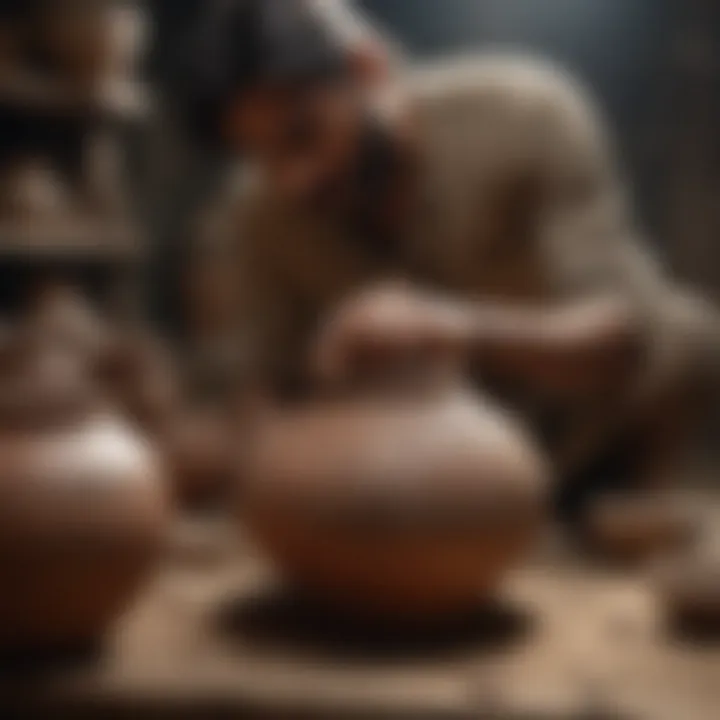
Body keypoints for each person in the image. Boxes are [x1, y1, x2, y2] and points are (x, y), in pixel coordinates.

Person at [181, 0, 719, 524]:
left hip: (581, 412)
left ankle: (609, 509)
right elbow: (262, 391)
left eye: (303, 134)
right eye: (260, 156)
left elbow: (622, 335)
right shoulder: (259, 212)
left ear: (368, 69)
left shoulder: (522, 115)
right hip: (411, 457)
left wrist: (449, 325)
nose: (293, 180)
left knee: (689, 335)